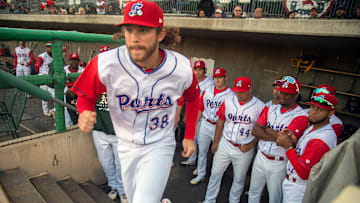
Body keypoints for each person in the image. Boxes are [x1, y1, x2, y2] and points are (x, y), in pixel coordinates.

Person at [71, 1, 200, 203]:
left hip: (159, 144)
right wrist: (84, 111)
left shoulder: (180, 67)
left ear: (160, 34)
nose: (134, 38)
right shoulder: (106, 63)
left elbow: (193, 98)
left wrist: (189, 135)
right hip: (125, 145)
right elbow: (85, 95)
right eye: (129, 30)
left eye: (143, 30)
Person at [203, 77, 265, 203]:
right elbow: (220, 121)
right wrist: (216, 142)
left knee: (239, 179)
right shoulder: (228, 101)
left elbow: (262, 130)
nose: (238, 94)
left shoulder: (260, 106)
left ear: (250, 89)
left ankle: (234, 201)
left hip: (244, 148)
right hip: (225, 143)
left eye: (242, 91)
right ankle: (209, 200)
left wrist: (251, 145)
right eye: (237, 91)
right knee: (215, 174)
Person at [248, 76, 309, 203]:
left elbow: (288, 142)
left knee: (274, 197)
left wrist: (267, 129)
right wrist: (276, 136)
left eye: (287, 94)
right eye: (282, 92)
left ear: (295, 96)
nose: (283, 96)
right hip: (261, 156)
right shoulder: (270, 108)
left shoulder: (301, 116)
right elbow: (255, 130)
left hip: (279, 162)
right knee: (254, 191)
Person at [277, 90, 338, 203]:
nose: (314, 112)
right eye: (312, 107)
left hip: (301, 187)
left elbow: (304, 172)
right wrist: (292, 140)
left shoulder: (322, 138)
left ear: (331, 113)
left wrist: (288, 146)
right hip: (294, 183)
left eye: (320, 109)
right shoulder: (314, 127)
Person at [92, 46, 127, 202]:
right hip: (99, 130)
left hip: (119, 132)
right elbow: (77, 96)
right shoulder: (93, 79)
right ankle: (113, 186)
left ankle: (122, 189)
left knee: (121, 164)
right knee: (106, 162)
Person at [190, 68, 233, 185]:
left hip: (219, 127)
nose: (217, 79)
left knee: (218, 153)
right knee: (202, 151)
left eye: (220, 77)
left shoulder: (230, 95)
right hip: (205, 122)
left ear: (225, 78)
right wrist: (195, 123)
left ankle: (216, 176)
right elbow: (200, 107)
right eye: (216, 77)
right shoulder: (207, 90)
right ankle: (201, 174)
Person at [181, 60, 214, 167]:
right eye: (196, 69)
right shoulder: (191, 80)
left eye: (200, 69)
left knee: (201, 142)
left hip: (203, 116)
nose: (198, 72)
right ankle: (192, 160)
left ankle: (200, 167)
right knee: (192, 138)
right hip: (193, 114)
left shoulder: (210, 83)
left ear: (204, 70)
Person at [64, 52, 84, 127]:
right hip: (66, 94)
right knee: (67, 117)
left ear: (78, 61)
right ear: (69, 61)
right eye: (72, 60)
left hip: (79, 95)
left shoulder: (82, 70)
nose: (74, 62)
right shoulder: (64, 70)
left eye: (76, 60)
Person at [34, 42, 54, 116]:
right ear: (46, 47)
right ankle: (45, 110)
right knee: (44, 95)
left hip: (51, 79)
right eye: (48, 47)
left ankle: (55, 110)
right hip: (44, 77)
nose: (50, 48)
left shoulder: (55, 56)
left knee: (54, 96)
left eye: (51, 46)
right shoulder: (42, 56)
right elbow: (36, 67)